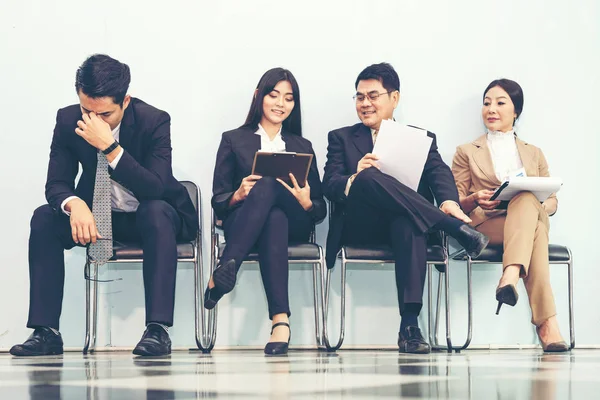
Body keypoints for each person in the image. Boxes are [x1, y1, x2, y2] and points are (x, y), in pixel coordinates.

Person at [10, 54, 198, 357]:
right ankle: (46, 332)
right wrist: (74, 205)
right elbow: (56, 183)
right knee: (44, 218)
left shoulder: (154, 120)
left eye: (105, 114)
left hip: (152, 216)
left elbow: (155, 187)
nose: (94, 120)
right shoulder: (68, 119)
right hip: (99, 218)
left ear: (125, 101)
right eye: (87, 110)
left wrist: (109, 147)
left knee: (155, 212)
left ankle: (158, 330)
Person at [323, 62, 489, 354]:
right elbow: (330, 184)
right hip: (360, 226)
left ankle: (409, 326)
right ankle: (450, 227)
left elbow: (439, 174)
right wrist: (354, 177)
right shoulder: (341, 137)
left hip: (405, 225)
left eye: (373, 96)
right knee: (368, 176)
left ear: (394, 98)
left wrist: (449, 200)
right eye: (359, 97)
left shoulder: (419, 137)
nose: (365, 103)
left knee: (409, 221)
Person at [207, 67, 327, 355]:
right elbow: (218, 199)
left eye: (288, 98)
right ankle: (280, 322)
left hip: (297, 220)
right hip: (246, 220)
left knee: (271, 187)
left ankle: (225, 266)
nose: (280, 104)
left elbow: (320, 209)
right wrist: (237, 194)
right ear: (258, 96)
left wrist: (308, 201)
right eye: (274, 95)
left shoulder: (302, 145)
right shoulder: (233, 139)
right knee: (273, 217)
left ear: (294, 104)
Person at [451, 78, 568, 352]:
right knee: (535, 229)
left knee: (527, 199)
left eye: (500, 103)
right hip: (486, 225)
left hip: (525, 222)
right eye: (487, 103)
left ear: (516, 111)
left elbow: (551, 201)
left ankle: (510, 275)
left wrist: (536, 204)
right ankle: (547, 325)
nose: (491, 109)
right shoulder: (466, 152)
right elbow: (455, 202)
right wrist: (475, 199)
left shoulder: (534, 153)